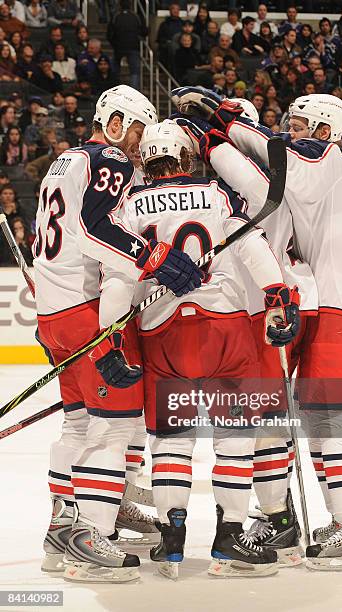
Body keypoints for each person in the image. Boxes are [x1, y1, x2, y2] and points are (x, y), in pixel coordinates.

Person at [173, 89, 342, 570]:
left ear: (324, 129)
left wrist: (217, 132)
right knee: (310, 416)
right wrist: (217, 139)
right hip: (330, 297)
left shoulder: (324, 157)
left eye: (297, 126)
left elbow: (261, 169)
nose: (288, 134)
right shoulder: (315, 165)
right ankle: (315, 520)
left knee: (330, 414)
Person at [35, 86, 203, 583]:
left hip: (54, 313)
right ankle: (90, 535)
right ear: (112, 122)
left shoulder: (63, 161)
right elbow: (92, 228)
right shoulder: (107, 157)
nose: (136, 143)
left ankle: (64, 527)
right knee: (115, 426)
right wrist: (153, 257)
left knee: (79, 427)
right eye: (133, 130)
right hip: (88, 313)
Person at [122, 118, 299, 579]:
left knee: (173, 441)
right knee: (234, 437)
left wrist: (115, 335)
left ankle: (172, 539)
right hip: (224, 327)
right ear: (186, 156)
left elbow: (118, 274)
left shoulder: (132, 204)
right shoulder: (217, 194)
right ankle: (230, 537)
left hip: (162, 333)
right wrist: (278, 295)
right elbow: (251, 248)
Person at [107, 0, 147, 90]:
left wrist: (114, 44)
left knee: (115, 71)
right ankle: (133, 93)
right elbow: (144, 31)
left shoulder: (116, 16)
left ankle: (115, 89)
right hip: (133, 47)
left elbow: (109, 34)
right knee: (134, 72)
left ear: (120, 5)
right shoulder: (136, 16)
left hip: (118, 47)